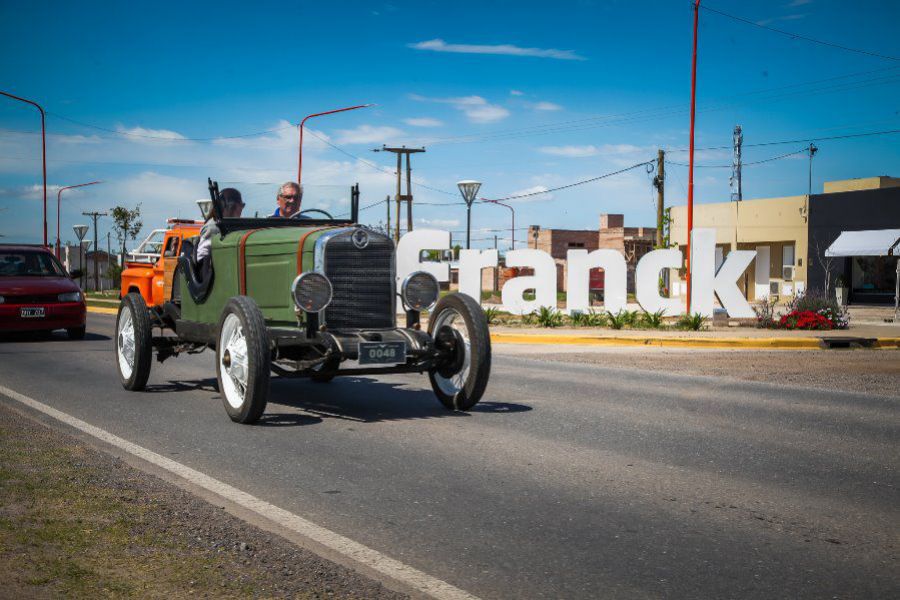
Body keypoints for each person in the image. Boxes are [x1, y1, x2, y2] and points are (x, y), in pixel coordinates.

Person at [196, 187, 244, 261]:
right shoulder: (213, 227)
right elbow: (202, 257)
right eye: (241, 205)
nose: (241, 208)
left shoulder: (236, 225)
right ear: (230, 206)